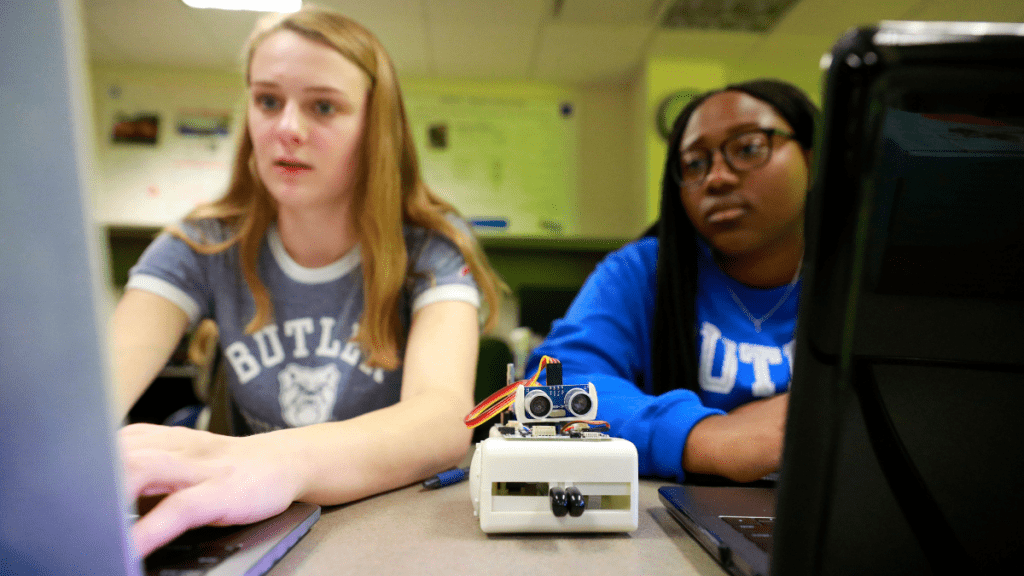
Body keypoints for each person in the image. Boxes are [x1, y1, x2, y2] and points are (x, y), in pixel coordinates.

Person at [112, 6, 502, 557]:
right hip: (260, 533)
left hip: (394, 532)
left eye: (323, 106)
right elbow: (93, 393)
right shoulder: (201, 242)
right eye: (268, 100)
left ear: (375, 126)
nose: (287, 129)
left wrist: (275, 460)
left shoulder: (432, 246)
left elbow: (442, 419)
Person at [526, 79, 817, 484]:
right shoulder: (643, 271)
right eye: (694, 163)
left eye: (749, 148)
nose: (717, 179)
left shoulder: (875, 278)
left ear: (812, 158)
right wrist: (702, 437)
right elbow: (555, 385)